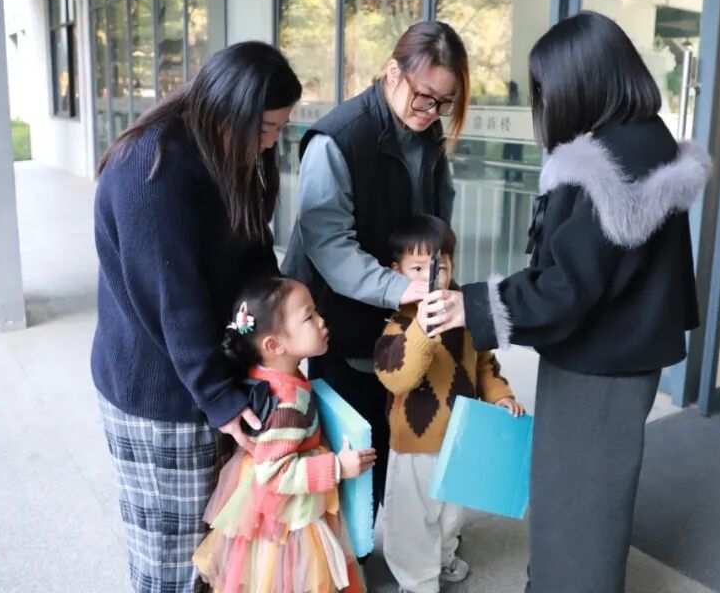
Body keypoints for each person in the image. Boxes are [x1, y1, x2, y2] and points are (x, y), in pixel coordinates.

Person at [421, 12, 711, 593]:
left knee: (577, 503)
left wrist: (471, 306)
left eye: (548, 87)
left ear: (584, 81)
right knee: (591, 497)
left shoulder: (607, 168)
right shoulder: (645, 139)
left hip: (597, 367)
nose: (546, 100)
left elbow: (567, 287)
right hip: (622, 357)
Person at [92, 42, 302, 592]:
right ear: (230, 109)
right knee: (175, 562)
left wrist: (271, 331)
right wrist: (217, 395)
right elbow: (173, 302)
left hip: (209, 375)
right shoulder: (151, 166)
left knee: (215, 550)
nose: (271, 142)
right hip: (161, 392)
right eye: (266, 128)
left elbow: (253, 255)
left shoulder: (224, 151)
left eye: (280, 129)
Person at [283, 21, 470, 509]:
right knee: (354, 450)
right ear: (392, 73)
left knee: (400, 441)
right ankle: (353, 547)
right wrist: (400, 288)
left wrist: (436, 279)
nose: (432, 113)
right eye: (424, 97)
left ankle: (404, 536)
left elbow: (438, 215)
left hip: (403, 318)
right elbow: (329, 245)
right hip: (345, 317)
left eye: (444, 103)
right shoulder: (339, 138)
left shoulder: (427, 133)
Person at [193, 278, 375, 593]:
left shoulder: (271, 374)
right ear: (274, 345)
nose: (321, 321)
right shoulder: (286, 403)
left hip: (273, 508)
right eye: (309, 317)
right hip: (290, 516)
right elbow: (275, 473)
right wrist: (337, 467)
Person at [373, 215, 524, 593]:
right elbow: (396, 377)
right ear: (397, 271)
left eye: (439, 267)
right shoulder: (398, 324)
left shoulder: (466, 320)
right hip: (414, 443)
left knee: (452, 513)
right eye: (418, 268)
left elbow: (485, 365)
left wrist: (501, 395)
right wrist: (423, 331)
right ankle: (417, 581)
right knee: (412, 519)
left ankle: (442, 558)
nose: (431, 277)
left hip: (461, 438)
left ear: (452, 267)